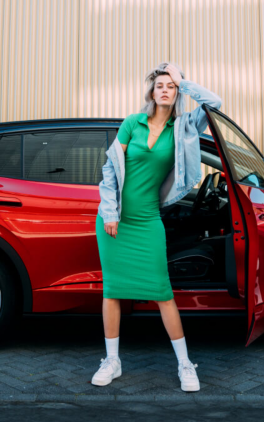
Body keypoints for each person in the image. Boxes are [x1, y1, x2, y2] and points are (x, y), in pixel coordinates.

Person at [92, 62, 222, 392]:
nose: (165, 89)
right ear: (151, 92)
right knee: (112, 292)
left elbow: (214, 104)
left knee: (163, 293)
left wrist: (184, 80)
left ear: (176, 93)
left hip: (148, 221)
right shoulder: (132, 124)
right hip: (116, 221)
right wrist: (109, 211)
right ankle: (112, 361)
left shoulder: (184, 126)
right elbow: (110, 169)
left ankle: (184, 365)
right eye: (160, 85)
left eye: (171, 86)